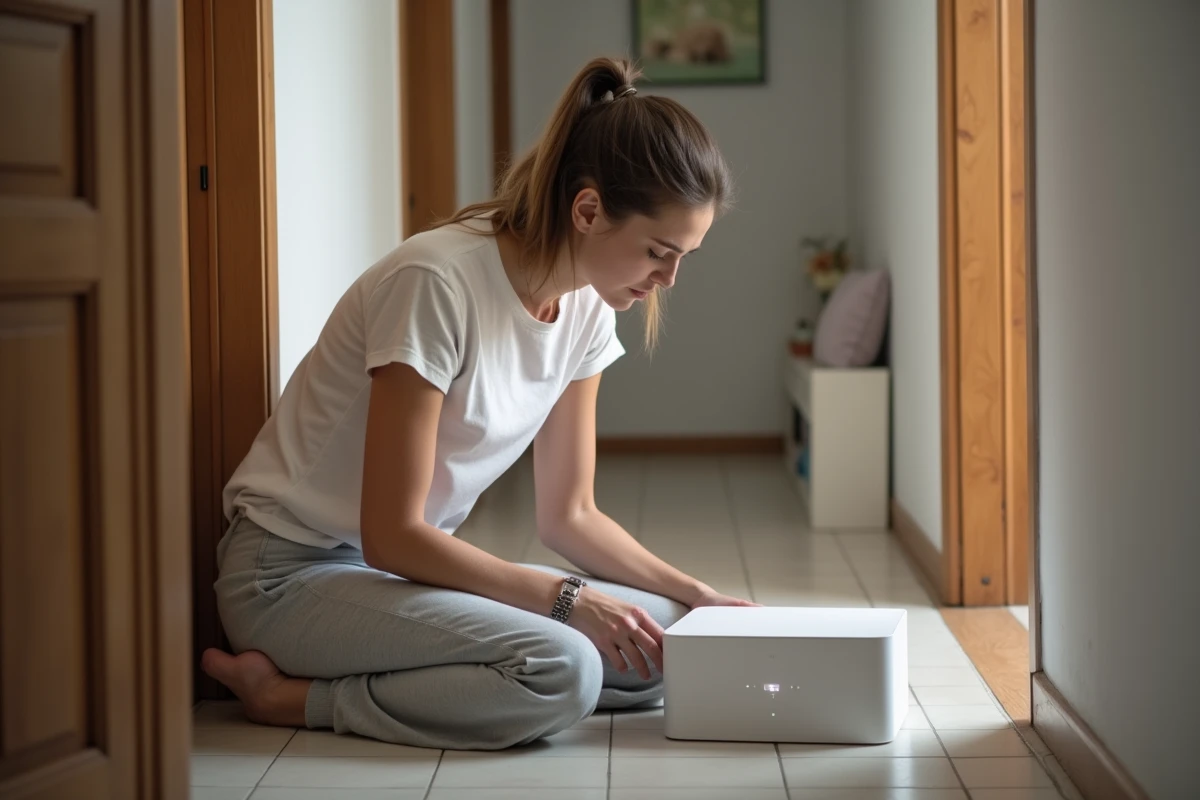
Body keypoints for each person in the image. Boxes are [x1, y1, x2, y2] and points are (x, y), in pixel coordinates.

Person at [201, 56, 753, 751]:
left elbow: (570, 515)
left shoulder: (586, 308)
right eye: (657, 252)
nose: (666, 280)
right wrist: (570, 601)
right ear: (587, 210)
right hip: (291, 574)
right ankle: (295, 699)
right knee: (564, 665)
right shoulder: (435, 282)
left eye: (683, 259)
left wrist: (697, 595)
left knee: (668, 636)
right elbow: (392, 533)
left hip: (394, 576)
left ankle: (481, 677)